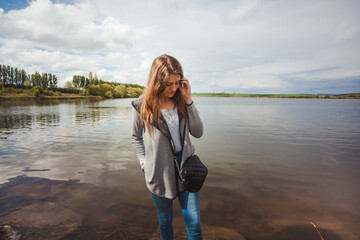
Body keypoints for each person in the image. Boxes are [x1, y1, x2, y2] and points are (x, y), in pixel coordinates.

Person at [131, 54, 204, 240]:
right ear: (157, 81)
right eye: (168, 84)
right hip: (158, 170)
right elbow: (135, 137)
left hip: (187, 168)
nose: (173, 88)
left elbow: (198, 132)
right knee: (165, 220)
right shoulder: (142, 106)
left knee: (194, 224)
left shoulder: (182, 101)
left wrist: (189, 100)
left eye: (177, 83)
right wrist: (144, 163)